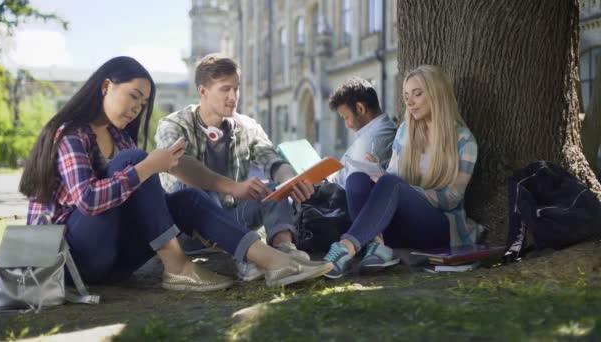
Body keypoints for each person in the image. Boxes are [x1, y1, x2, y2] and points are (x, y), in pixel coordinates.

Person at [18, 56, 332, 291]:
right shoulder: (71, 133)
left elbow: (147, 203)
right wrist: (146, 167)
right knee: (134, 159)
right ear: (105, 86)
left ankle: (273, 261)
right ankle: (178, 266)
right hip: (72, 261)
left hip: (115, 265)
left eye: (142, 105)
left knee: (186, 200)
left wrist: (187, 208)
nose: (136, 109)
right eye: (133, 96)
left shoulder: (121, 137)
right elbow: (87, 201)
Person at [155, 53, 314, 280]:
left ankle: (284, 251)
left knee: (270, 188)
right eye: (225, 89)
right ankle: (248, 258)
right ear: (203, 91)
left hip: (233, 214)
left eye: (236, 89)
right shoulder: (173, 125)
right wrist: (232, 187)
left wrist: (291, 180)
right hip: (187, 229)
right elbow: (177, 165)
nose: (233, 97)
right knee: (193, 189)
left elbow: (271, 158)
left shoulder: (247, 125)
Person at [322, 65, 483, 278]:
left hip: (439, 228)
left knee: (390, 184)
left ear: (436, 94)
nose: (409, 101)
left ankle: (346, 248)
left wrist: (405, 188)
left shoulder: (464, 141)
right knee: (356, 179)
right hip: (401, 227)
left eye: (417, 93)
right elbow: (394, 180)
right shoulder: (405, 132)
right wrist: (377, 172)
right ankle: (377, 248)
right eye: (406, 95)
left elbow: (451, 199)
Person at [327, 77, 397, 187]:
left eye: (346, 117)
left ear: (360, 109)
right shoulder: (375, 130)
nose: (346, 124)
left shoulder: (371, 140)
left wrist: (326, 179)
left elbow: (347, 187)